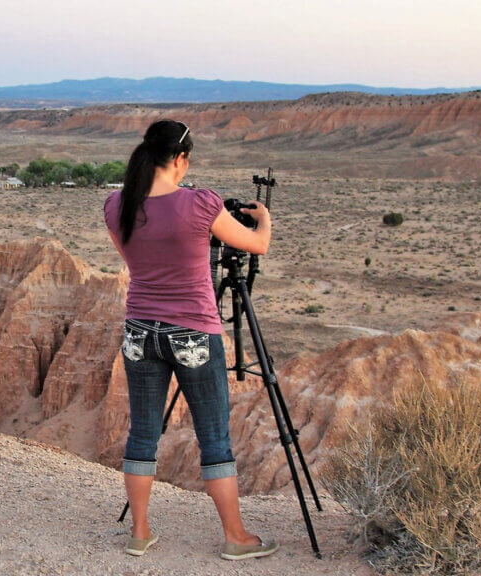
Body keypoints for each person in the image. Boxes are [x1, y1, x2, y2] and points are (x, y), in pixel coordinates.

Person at [103, 120, 279, 561]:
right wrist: (265, 219)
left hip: (140, 331)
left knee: (142, 433)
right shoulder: (201, 204)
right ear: (181, 160)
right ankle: (235, 537)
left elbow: (135, 259)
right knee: (213, 437)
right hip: (193, 332)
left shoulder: (116, 204)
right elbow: (256, 245)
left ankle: (140, 532)